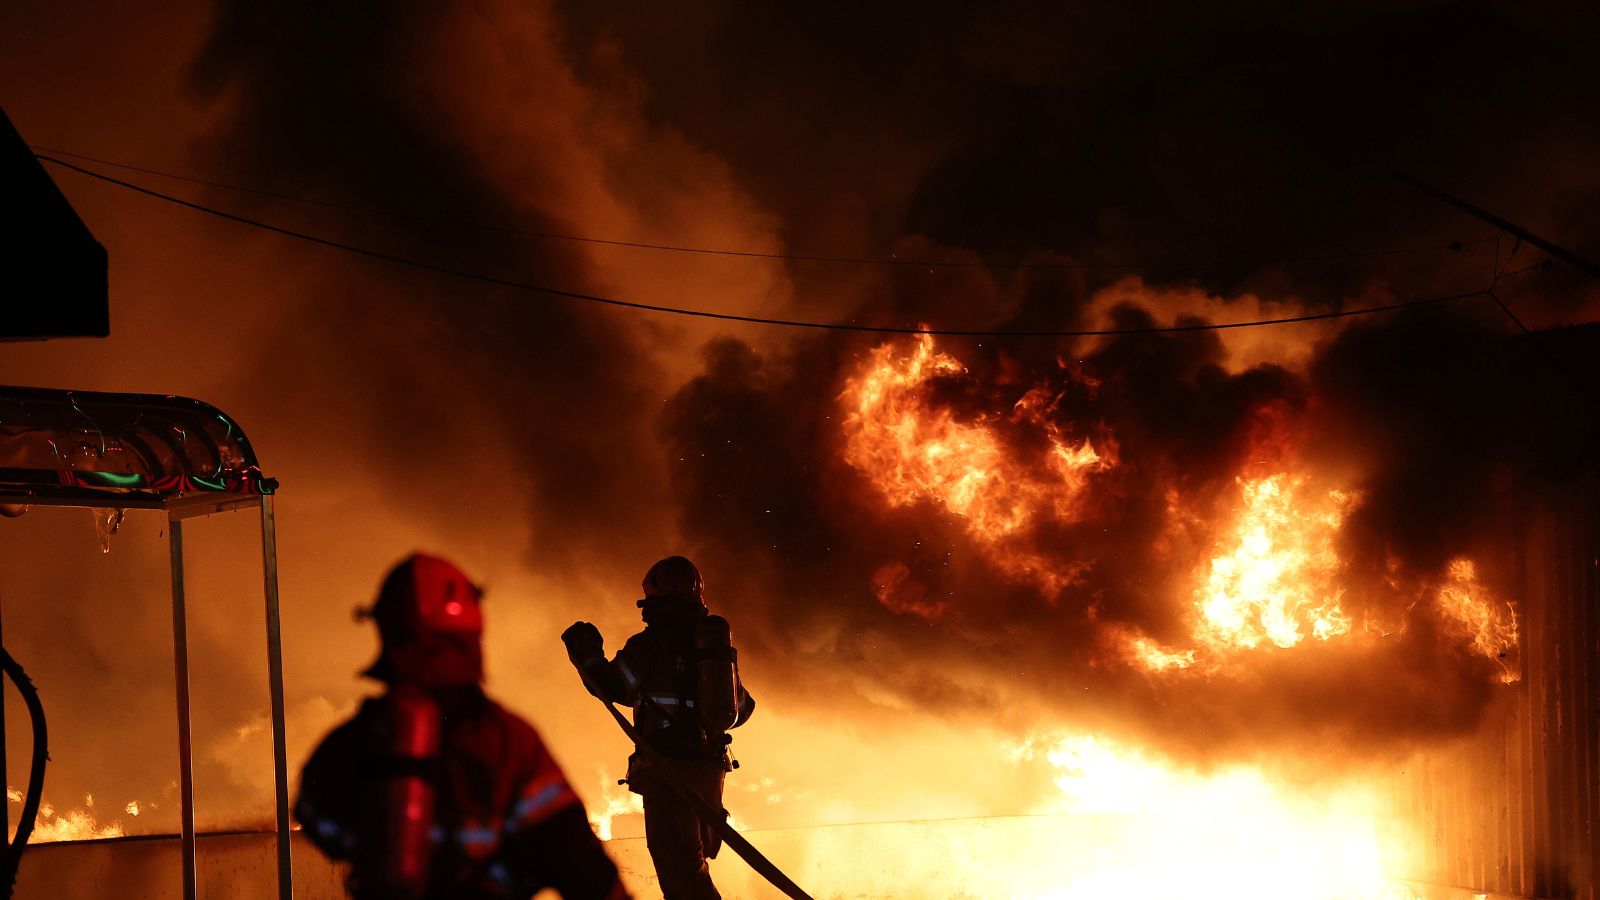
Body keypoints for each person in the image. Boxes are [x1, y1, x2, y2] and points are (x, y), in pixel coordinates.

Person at [296, 553, 630, 900]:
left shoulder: (358, 738)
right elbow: (583, 866)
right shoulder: (509, 740)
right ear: (472, 629)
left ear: (388, 633)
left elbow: (314, 816)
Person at [561, 556, 755, 900]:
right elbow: (742, 709)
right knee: (691, 864)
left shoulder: (650, 645)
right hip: (710, 772)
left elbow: (613, 686)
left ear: (654, 598)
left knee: (681, 872)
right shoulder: (712, 648)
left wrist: (588, 655)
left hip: (668, 773)